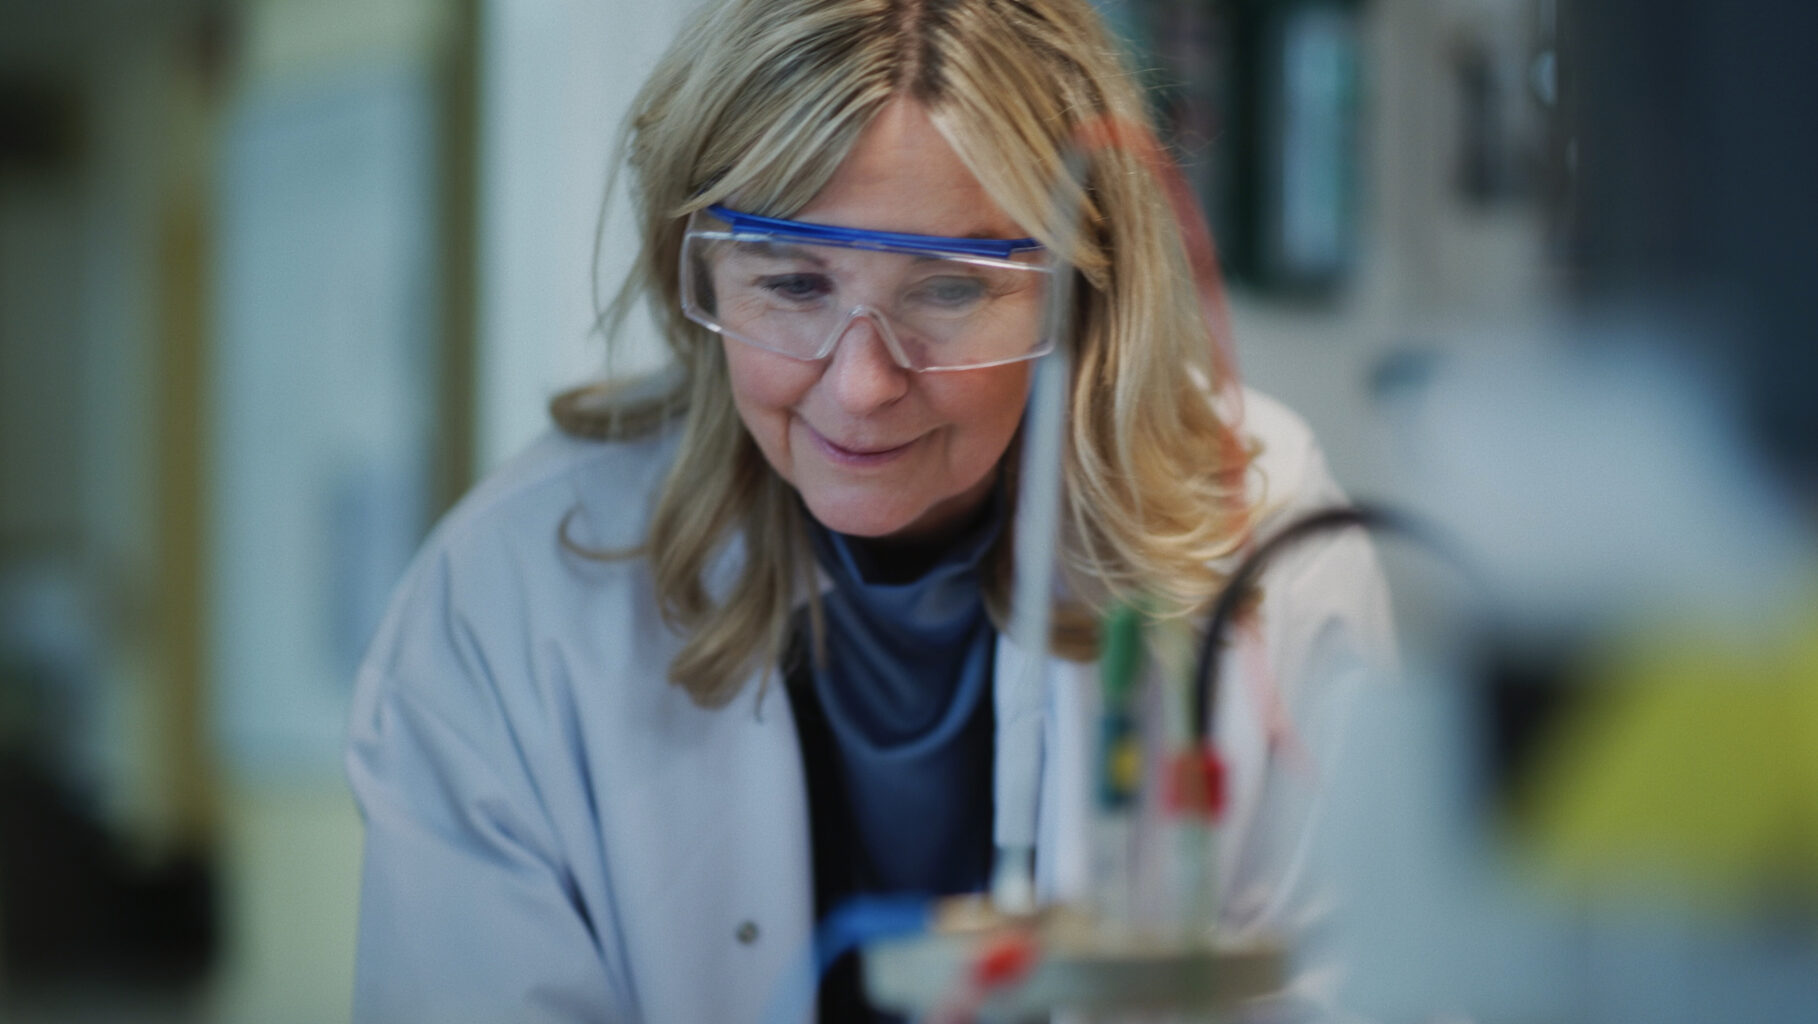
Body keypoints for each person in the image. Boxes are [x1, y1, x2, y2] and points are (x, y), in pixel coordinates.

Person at [345, 0, 1393, 1021]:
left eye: (949, 288)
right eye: (794, 284)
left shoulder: (1268, 541)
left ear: (1086, 288)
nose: (861, 386)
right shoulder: (511, 597)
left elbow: (1363, 984)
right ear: (693, 266)